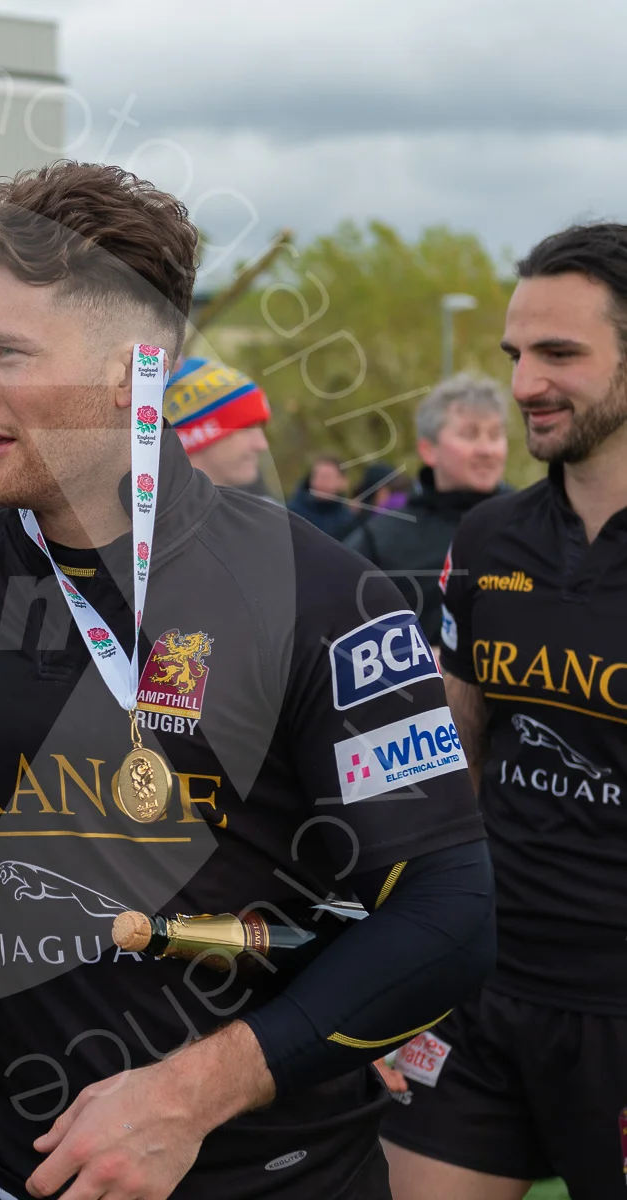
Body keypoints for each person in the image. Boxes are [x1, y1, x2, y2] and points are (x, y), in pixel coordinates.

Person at [0, 161, 495, 1200]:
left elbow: (448, 914)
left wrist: (192, 1093)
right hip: (11, 1173)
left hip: (276, 1179)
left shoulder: (322, 592)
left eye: (8, 352)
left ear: (132, 370)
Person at [382, 223, 627, 1200]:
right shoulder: (490, 539)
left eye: (560, 353)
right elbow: (451, 759)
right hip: (482, 991)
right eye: (516, 354)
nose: (525, 384)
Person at [344, 376, 509, 646]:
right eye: (469, 434)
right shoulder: (380, 541)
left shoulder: (538, 524)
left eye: (495, 434)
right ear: (429, 450)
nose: (486, 449)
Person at [163, 356, 272, 489]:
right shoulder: (155, 499)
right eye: (246, 428)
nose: (262, 445)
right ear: (196, 437)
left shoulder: (257, 497)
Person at [288, 452, 358, 538]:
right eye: (317, 476)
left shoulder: (348, 522)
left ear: (343, 482)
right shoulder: (292, 511)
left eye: (328, 477)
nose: (321, 482)